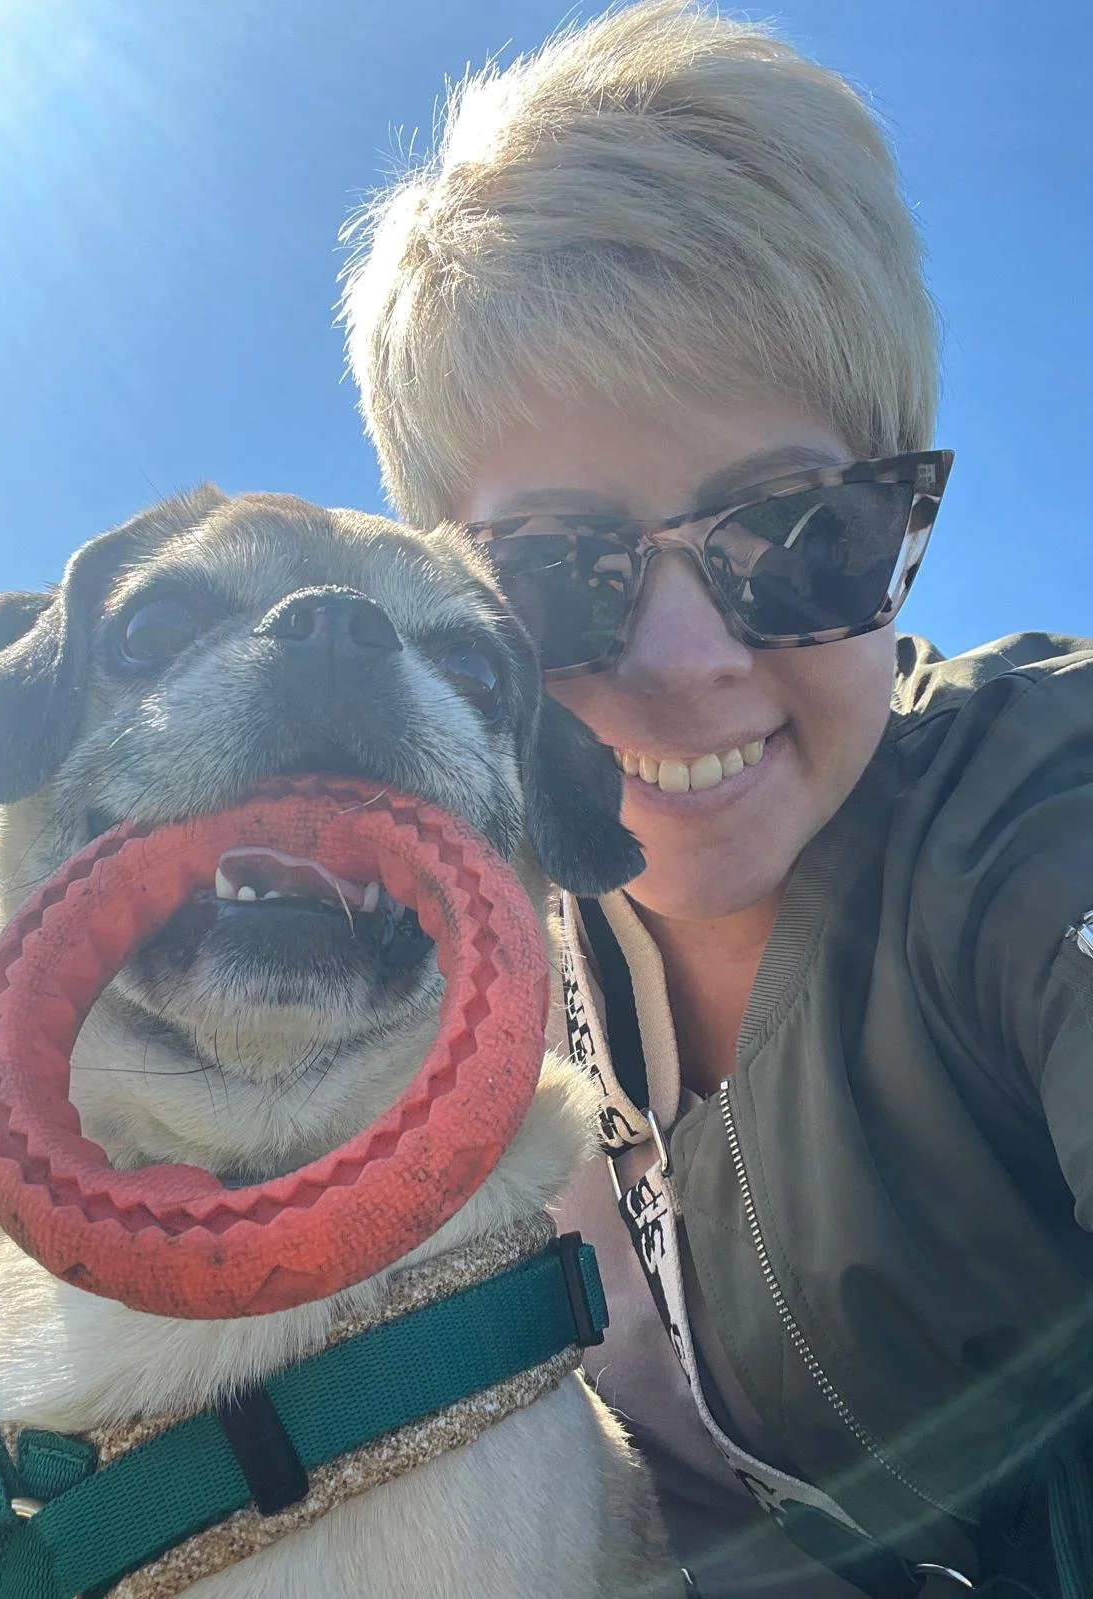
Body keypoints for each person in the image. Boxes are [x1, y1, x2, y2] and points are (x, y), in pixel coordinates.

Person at [337, 3, 1093, 1594]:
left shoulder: (1035, 813)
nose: (687, 661)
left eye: (801, 532)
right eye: (555, 572)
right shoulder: (448, 951)